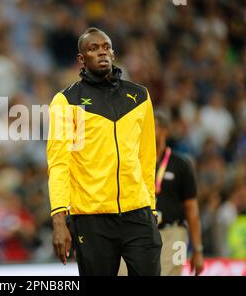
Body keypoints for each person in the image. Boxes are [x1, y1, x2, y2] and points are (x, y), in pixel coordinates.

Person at [47, 27, 162, 276]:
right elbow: (59, 164)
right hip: (91, 218)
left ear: (114, 52)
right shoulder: (66, 101)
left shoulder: (140, 96)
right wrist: (59, 219)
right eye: (93, 48)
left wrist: (151, 209)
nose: (102, 52)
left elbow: (147, 158)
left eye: (106, 47)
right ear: (81, 59)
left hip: (138, 214)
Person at [151, 110, 204, 275]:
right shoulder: (136, 161)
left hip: (175, 234)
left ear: (165, 131)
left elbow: (192, 209)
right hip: (143, 231)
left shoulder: (181, 165)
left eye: (152, 127)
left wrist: (198, 249)